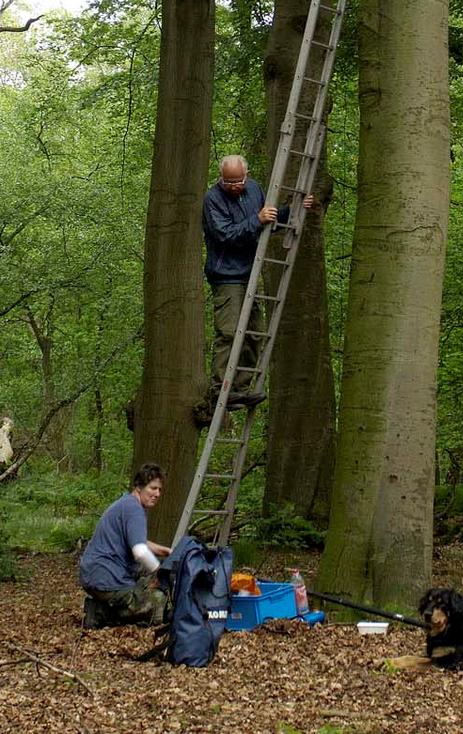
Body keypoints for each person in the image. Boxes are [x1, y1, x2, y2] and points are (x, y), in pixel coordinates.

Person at [198, 154, 314, 419]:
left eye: (239, 180)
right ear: (221, 179)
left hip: (251, 271)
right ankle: (220, 390)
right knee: (229, 332)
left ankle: (240, 388)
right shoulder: (212, 199)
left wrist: (296, 208)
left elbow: (267, 222)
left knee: (253, 332)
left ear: (247, 175)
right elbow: (225, 234)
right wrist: (258, 220)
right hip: (227, 275)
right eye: (229, 182)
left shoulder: (254, 189)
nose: (235, 186)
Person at [79, 463, 172, 629]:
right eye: (153, 488)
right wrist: (160, 574)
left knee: (144, 583)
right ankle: (100, 614)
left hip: (94, 576)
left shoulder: (126, 504)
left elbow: (137, 541)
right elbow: (140, 551)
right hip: (107, 579)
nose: (157, 494)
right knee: (158, 604)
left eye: (159, 490)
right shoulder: (134, 510)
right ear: (139, 487)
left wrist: (164, 551)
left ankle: (101, 608)